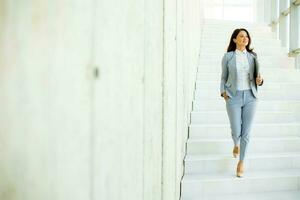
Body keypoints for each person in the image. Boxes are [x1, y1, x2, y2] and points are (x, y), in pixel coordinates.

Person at [220, 28, 263, 177]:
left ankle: (241, 162)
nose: (245, 38)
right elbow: (223, 77)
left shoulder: (253, 56)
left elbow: (259, 76)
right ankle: (235, 144)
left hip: (251, 96)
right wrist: (223, 92)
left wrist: (260, 80)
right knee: (236, 129)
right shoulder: (228, 57)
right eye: (241, 36)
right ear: (234, 39)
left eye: (246, 36)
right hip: (233, 96)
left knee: (246, 132)